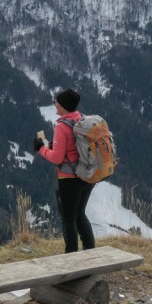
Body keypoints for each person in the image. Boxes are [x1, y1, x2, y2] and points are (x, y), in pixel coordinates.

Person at [33, 88, 96, 253]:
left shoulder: (62, 126)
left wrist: (41, 148)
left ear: (63, 106)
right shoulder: (81, 120)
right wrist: (55, 147)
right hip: (87, 176)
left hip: (69, 179)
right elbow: (74, 149)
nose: (55, 104)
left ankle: (71, 258)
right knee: (80, 215)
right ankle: (91, 253)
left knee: (68, 219)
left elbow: (57, 159)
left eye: (57, 102)